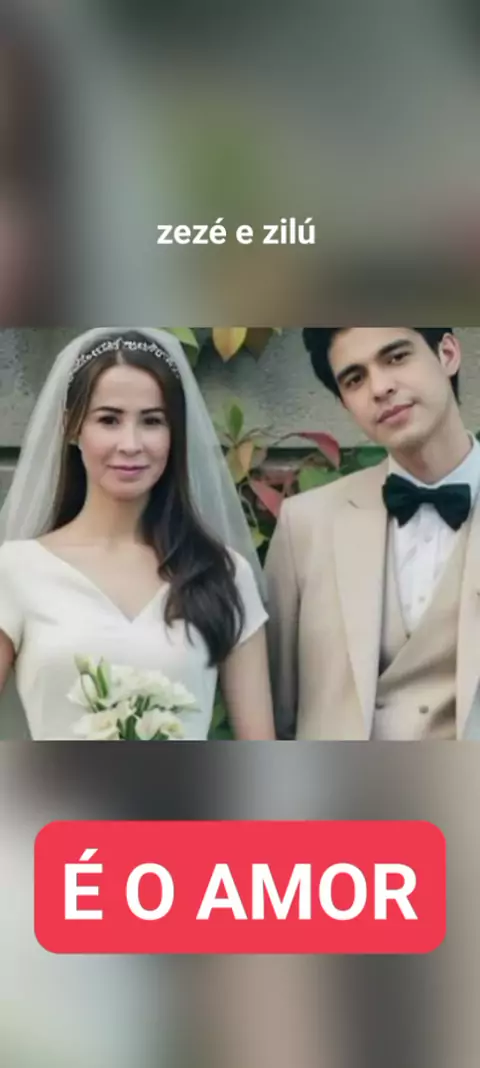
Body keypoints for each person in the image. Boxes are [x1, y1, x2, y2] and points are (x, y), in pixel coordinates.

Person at [0, 327, 275, 740]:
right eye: (109, 420)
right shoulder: (16, 569)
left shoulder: (223, 573)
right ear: (72, 427)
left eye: (151, 421)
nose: (131, 444)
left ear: (173, 433)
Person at [265, 327, 480, 740]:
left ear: (448, 353)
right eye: (354, 379)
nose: (380, 388)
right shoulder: (304, 525)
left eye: (396, 357)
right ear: (344, 403)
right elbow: (277, 712)